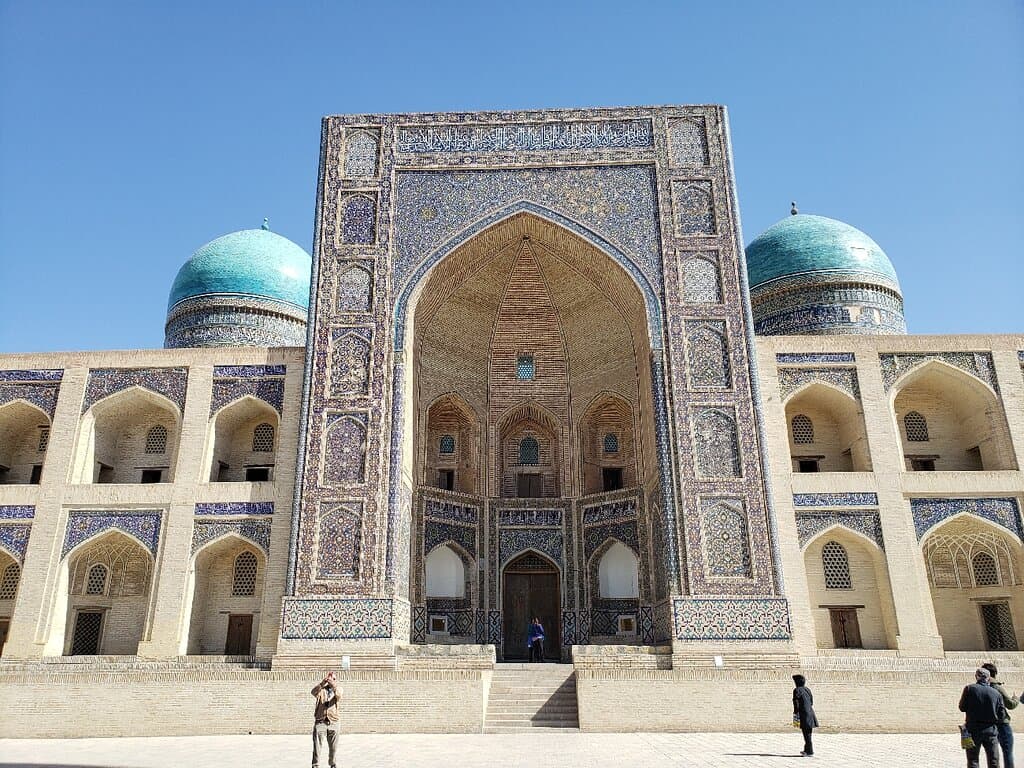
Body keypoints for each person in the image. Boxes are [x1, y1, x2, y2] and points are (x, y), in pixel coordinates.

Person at [960, 667, 1005, 768]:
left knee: (973, 759)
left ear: (976, 677)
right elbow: (1002, 715)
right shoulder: (996, 693)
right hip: (991, 730)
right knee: (994, 759)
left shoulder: (969, 688)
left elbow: (962, 707)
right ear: (988, 678)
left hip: (973, 729)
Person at [983, 662, 1018, 768]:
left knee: (993, 754)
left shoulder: (980, 688)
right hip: (1002, 724)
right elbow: (1010, 705)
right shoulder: (997, 687)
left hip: (989, 725)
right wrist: (1015, 699)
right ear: (994, 673)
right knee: (1007, 753)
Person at [311, 671, 341, 768]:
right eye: (330, 678)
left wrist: (334, 685)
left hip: (334, 722)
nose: (331, 681)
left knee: (334, 748)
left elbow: (339, 695)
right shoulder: (321, 690)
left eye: (333, 679)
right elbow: (313, 692)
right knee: (317, 746)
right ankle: (315, 765)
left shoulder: (338, 689)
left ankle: (333, 764)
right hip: (320, 721)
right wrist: (322, 683)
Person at [792, 674, 819, 757]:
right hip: (810, 713)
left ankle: (809, 751)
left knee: (806, 733)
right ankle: (807, 750)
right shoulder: (807, 689)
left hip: (804, 714)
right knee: (808, 733)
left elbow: (796, 703)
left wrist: (796, 713)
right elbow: (811, 702)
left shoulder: (796, 690)